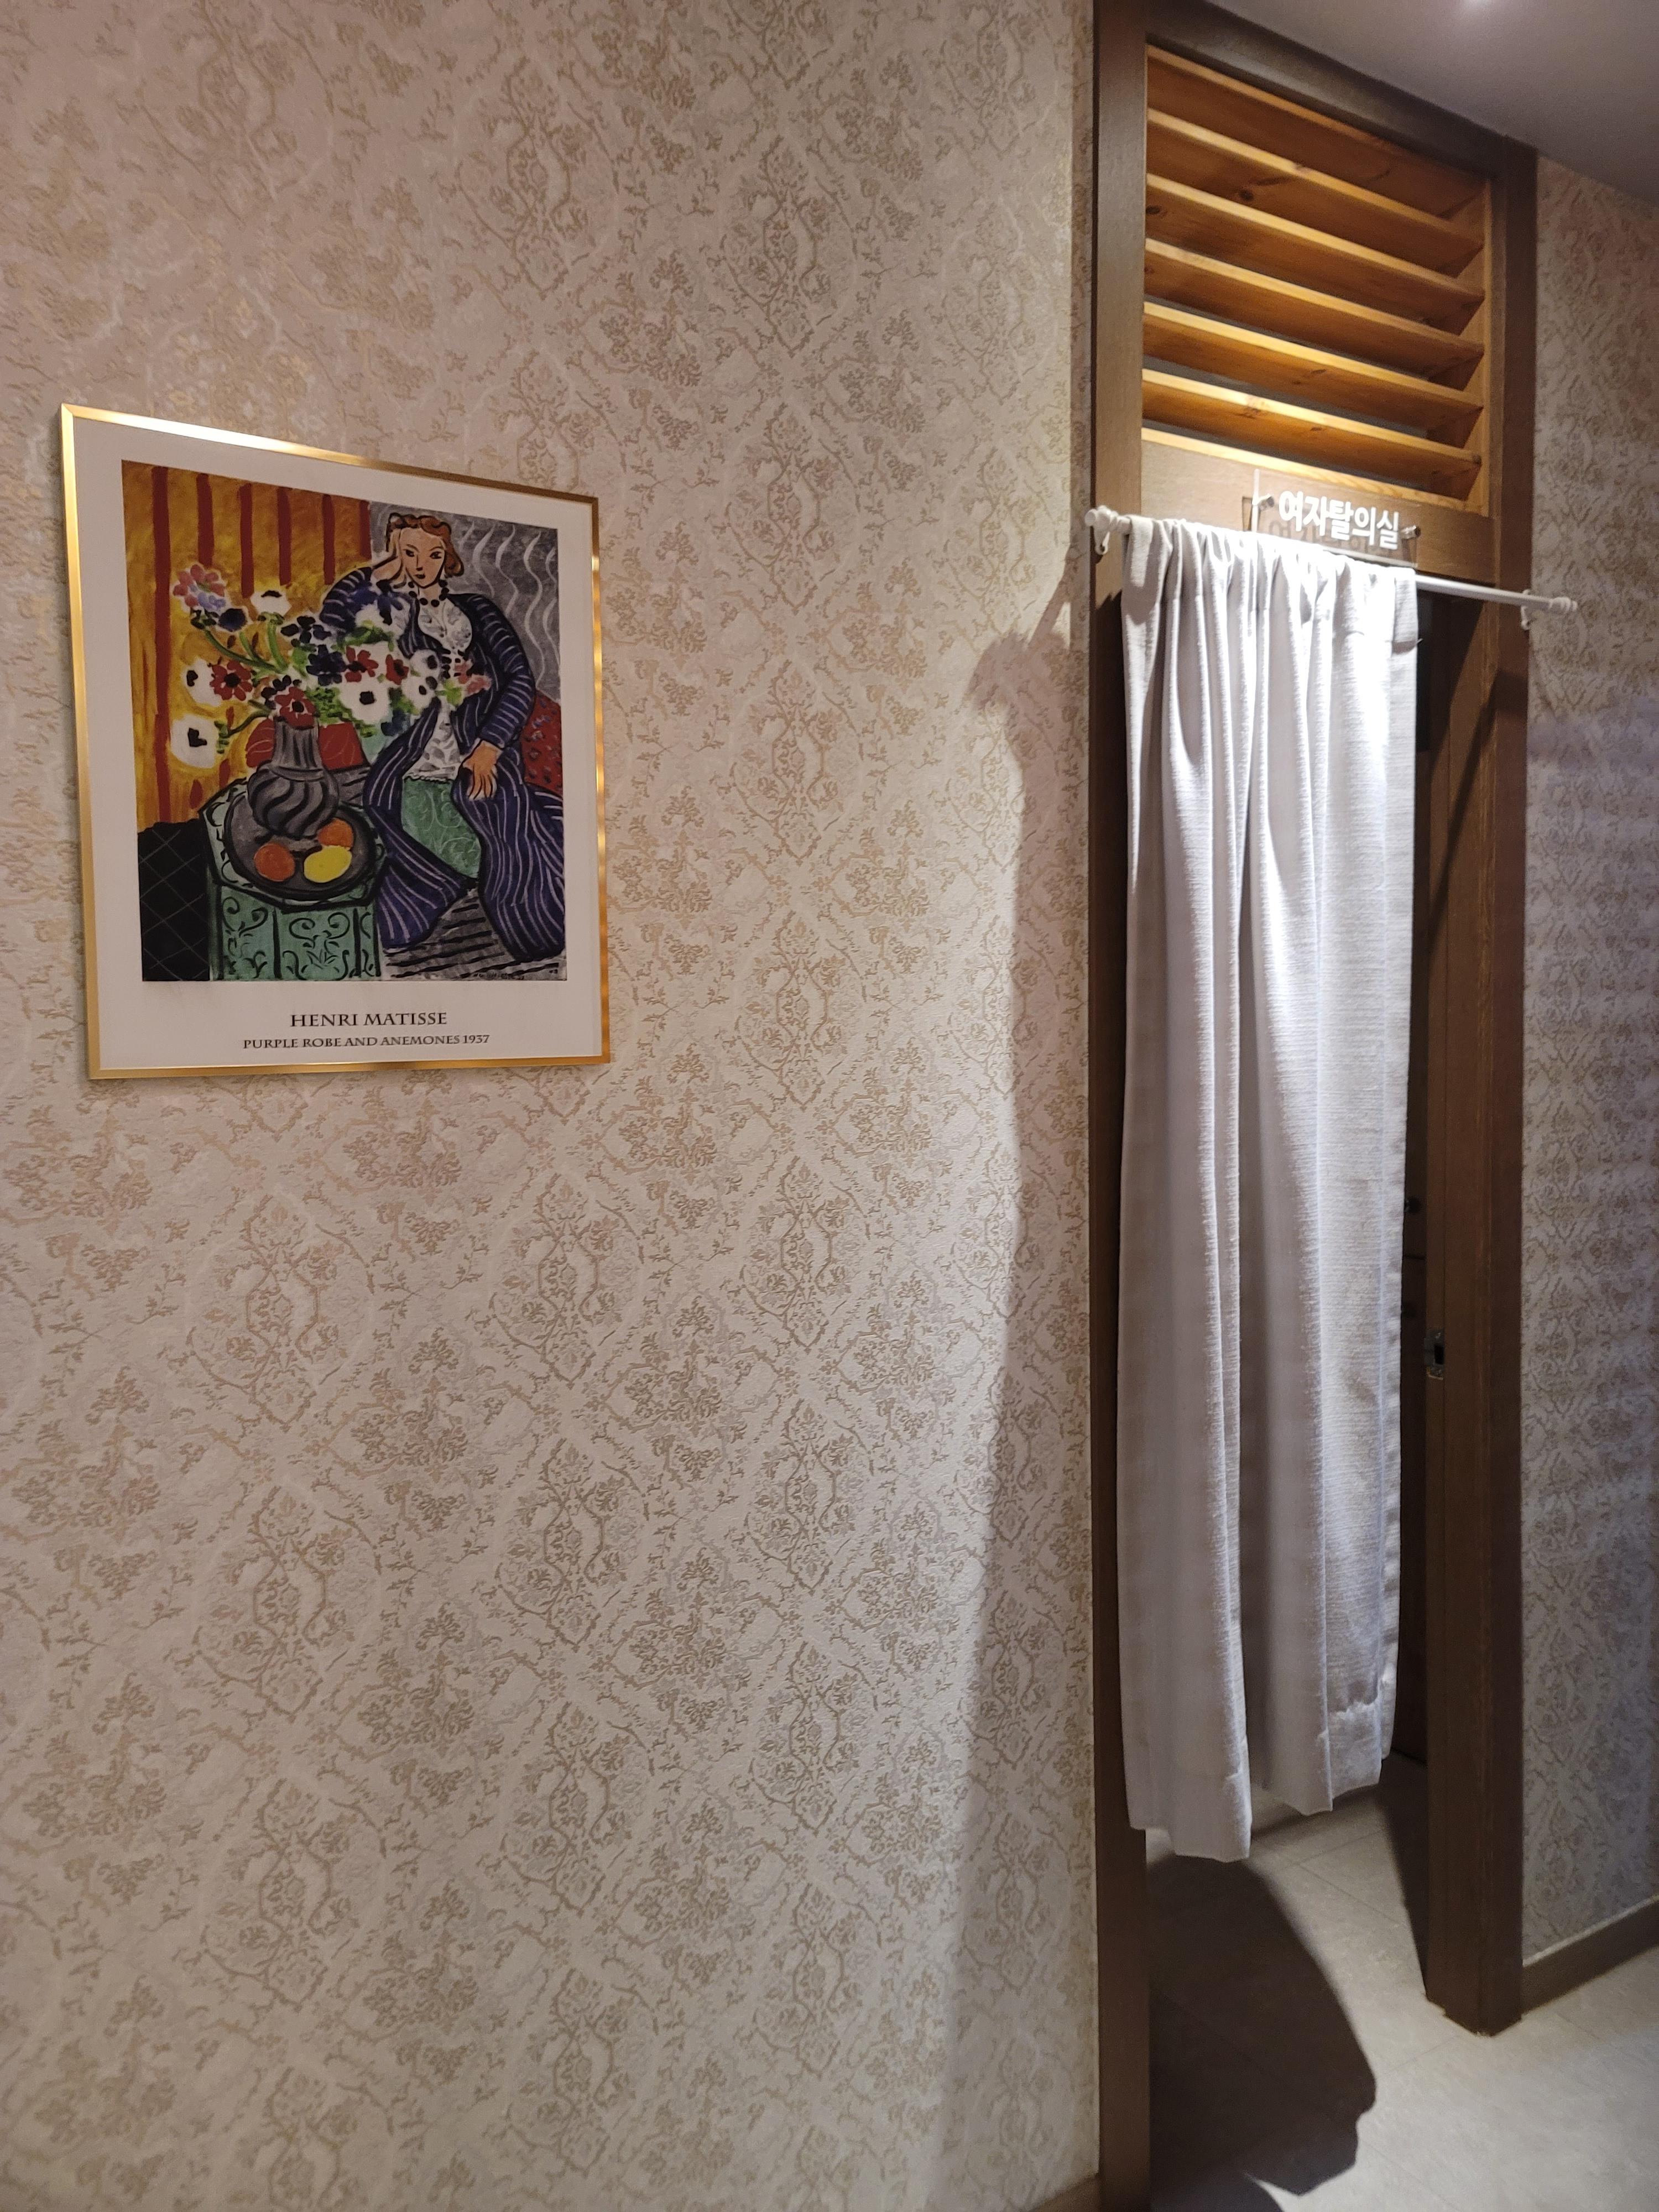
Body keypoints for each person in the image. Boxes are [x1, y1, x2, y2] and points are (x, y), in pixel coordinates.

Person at [319, 514, 564, 963]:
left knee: (500, 824)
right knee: (389, 824)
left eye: (432, 554)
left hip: (485, 747)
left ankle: (528, 920)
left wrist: (491, 745)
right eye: (408, 553)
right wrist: (375, 574)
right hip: (416, 753)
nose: (421, 564)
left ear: (446, 558)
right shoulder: (389, 617)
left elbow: (519, 679)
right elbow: (330, 628)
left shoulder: (478, 611)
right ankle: (435, 882)